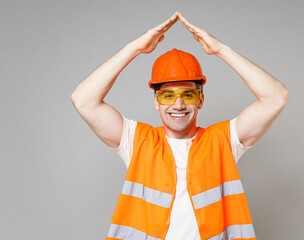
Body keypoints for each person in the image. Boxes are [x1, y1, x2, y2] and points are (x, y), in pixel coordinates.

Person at [71, 11, 289, 240]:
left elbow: (276, 96)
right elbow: (83, 99)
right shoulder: (136, 140)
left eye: (188, 94)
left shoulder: (223, 140)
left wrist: (220, 50)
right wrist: (134, 48)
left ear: (201, 100)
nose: (178, 104)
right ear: (156, 101)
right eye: (167, 96)